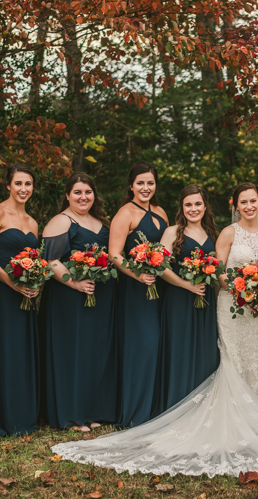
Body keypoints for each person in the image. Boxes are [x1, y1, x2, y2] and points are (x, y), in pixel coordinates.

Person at [51, 182, 258, 478]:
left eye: (254, 201)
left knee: (255, 356)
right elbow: (219, 271)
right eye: (244, 202)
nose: (249, 206)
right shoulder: (226, 232)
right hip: (233, 304)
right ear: (236, 204)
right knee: (232, 357)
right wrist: (239, 290)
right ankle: (232, 419)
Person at [40, 173, 117, 430]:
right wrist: (75, 283)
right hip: (69, 298)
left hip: (99, 298)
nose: (83, 197)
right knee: (71, 354)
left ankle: (91, 411)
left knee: (93, 354)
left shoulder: (101, 221)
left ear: (94, 194)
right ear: (67, 195)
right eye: (77, 192)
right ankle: (70, 415)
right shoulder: (61, 222)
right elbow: (50, 261)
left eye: (88, 192)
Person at [0, 164, 41, 437]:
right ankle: (0, 416)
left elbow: (35, 261)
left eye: (28, 184)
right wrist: (11, 283)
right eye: (18, 184)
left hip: (25, 296)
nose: (23, 189)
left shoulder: (34, 222)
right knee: (4, 350)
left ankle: (22, 415)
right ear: (8, 186)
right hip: (2, 293)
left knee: (22, 352)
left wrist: (35, 281)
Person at [109, 162, 169, 427]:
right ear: (131, 185)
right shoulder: (125, 213)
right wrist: (138, 274)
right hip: (136, 289)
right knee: (142, 346)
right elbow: (114, 255)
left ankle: (156, 408)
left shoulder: (160, 211)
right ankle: (136, 413)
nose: (146, 188)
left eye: (150, 183)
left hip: (160, 288)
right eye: (141, 183)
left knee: (158, 346)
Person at [152, 185, 220, 414]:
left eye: (198, 204)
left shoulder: (212, 233)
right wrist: (186, 284)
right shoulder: (173, 232)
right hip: (179, 300)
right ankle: (177, 407)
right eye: (188, 204)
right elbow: (159, 266)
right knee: (180, 351)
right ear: (181, 207)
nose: (194, 209)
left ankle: (203, 410)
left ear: (205, 206)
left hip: (205, 300)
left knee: (206, 353)